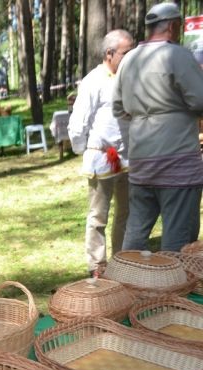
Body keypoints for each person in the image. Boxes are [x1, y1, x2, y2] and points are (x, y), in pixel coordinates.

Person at [113, 2, 203, 252]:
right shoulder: (178, 55)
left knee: (136, 232)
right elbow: (201, 99)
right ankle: (172, 287)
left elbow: (118, 107)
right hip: (178, 158)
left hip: (142, 158)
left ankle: (128, 281)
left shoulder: (129, 59)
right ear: (173, 26)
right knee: (179, 236)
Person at [68, 29, 134, 277]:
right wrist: (83, 149)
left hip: (128, 158)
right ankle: (97, 265)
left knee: (126, 214)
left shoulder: (130, 78)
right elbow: (78, 122)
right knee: (98, 216)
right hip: (102, 158)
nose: (130, 58)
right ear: (109, 53)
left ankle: (121, 260)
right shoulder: (93, 81)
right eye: (126, 53)